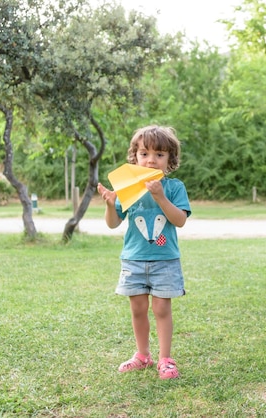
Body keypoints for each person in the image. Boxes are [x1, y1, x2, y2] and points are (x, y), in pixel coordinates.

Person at [97, 125, 191, 380]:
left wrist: (160, 197)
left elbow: (179, 220)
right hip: (134, 260)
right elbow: (113, 223)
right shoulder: (128, 187)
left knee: (161, 309)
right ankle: (142, 355)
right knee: (138, 308)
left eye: (159, 154)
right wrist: (109, 205)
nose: (151, 159)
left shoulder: (174, 188)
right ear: (135, 158)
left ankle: (165, 359)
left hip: (165, 261)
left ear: (170, 160)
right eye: (144, 153)